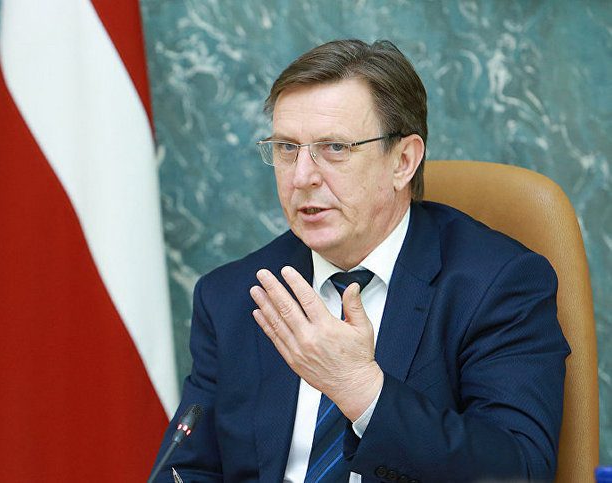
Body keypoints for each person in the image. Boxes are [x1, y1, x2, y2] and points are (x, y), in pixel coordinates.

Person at [150, 39, 569, 482]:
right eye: (287, 148)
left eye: (334, 148)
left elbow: (518, 469)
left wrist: (361, 390)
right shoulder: (234, 295)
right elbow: (186, 469)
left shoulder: (496, 284)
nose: (302, 177)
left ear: (403, 161)